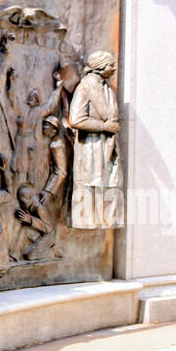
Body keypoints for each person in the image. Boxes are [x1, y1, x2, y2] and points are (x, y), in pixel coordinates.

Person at [68, 50, 122, 229]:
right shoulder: (85, 86)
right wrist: (102, 126)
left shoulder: (106, 87)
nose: (114, 69)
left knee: (109, 183)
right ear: (99, 67)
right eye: (110, 65)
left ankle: (105, 219)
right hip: (91, 145)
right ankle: (87, 220)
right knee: (91, 184)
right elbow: (75, 119)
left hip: (108, 145)